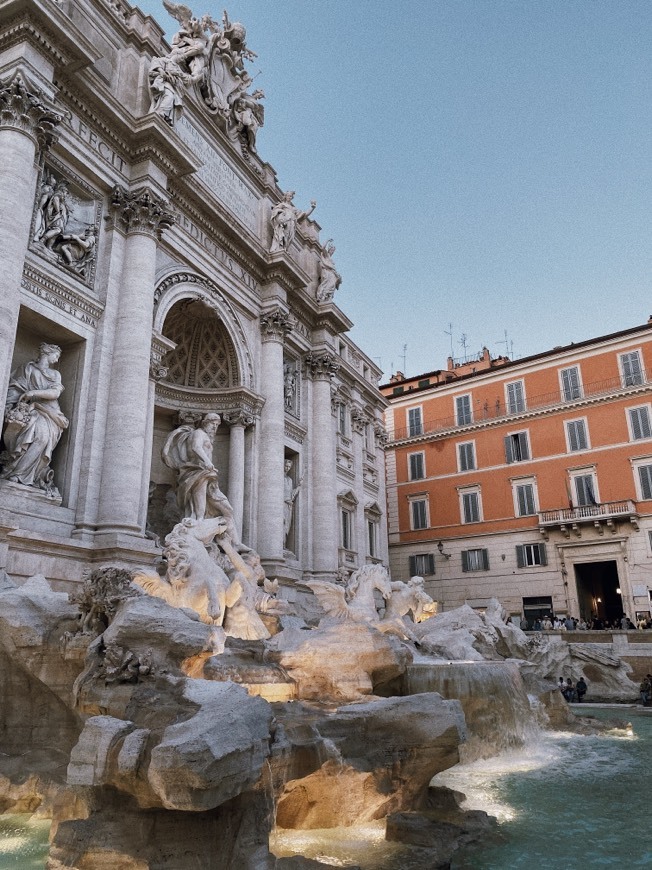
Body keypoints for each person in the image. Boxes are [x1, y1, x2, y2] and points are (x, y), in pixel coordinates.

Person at [1, 343, 68, 497]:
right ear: (47, 353)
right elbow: (15, 386)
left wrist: (32, 393)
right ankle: (16, 473)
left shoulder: (55, 374)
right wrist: (13, 404)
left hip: (50, 412)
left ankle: (25, 476)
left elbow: (55, 393)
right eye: (56, 355)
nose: (57, 359)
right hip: (29, 409)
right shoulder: (27, 369)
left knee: (42, 437)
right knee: (29, 428)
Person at [162, 413, 238, 543]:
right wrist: (207, 462)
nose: (214, 428)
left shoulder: (207, 436)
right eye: (212, 424)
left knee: (228, 509)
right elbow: (196, 447)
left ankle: (236, 543)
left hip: (207, 474)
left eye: (216, 425)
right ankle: (196, 537)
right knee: (199, 511)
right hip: (197, 472)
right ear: (204, 423)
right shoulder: (199, 433)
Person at [283, 459, 302, 547]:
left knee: (287, 525)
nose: (287, 468)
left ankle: (284, 544)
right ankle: (280, 545)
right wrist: (287, 500)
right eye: (286, 466)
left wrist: (299, 486)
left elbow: (292, 493)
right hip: (282, 504)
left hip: (288, 506)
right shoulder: (279, 477)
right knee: (282, 523)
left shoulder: (290, 480)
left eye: (289, 467)